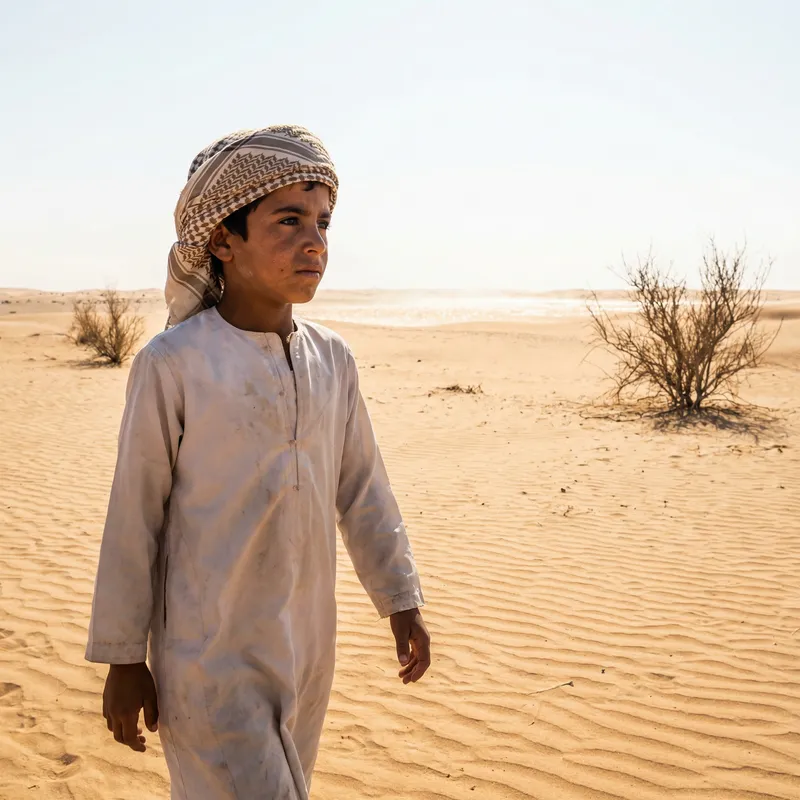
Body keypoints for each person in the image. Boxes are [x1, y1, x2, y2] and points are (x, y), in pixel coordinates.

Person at [85, 125, 429, 799]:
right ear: (223, 239)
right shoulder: (174, 363)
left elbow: (362, 490)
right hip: (208, 660)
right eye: (289, 220)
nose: (314, 243)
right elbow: (135, 514)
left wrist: (400, 600)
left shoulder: (332, 359)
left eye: (324, 224)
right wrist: (125, 656)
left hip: (306, 652)